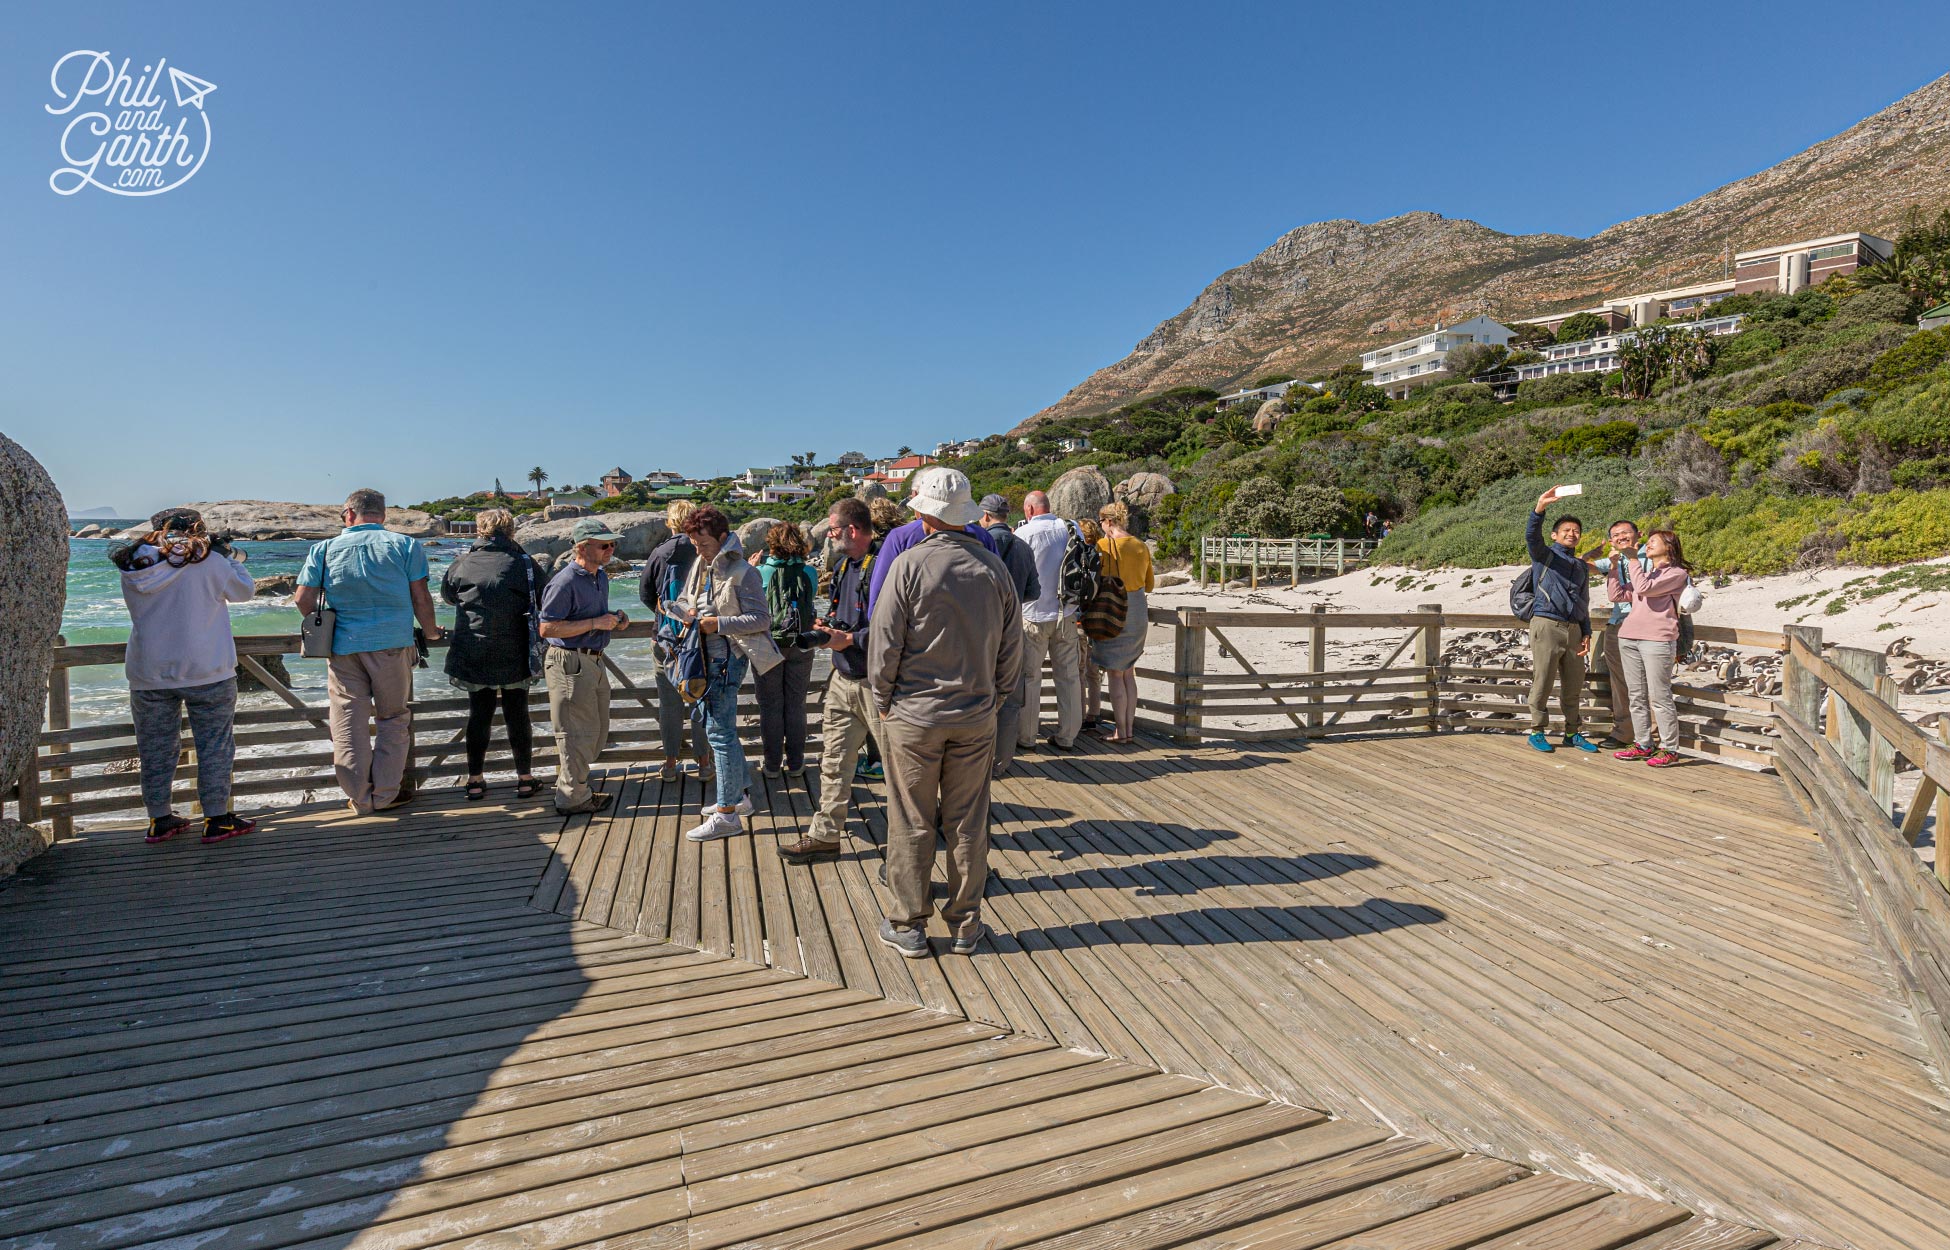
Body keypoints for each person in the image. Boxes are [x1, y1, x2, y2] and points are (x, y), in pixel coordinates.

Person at [870, 467, 1023, 959]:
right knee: (968, 822)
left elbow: (885, 645)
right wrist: (995, 700)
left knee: (911, 820)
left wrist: (883, 701)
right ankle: (965, 925)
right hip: (976, 715)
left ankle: (909, 924)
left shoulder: (909, 565)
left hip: (914, 715)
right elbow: (1011, 649)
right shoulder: (993, 567)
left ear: (922, 513)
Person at [112, 508, 258, 844]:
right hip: (208, 669)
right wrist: (226, 556)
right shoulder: (209, 560)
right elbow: (244, 591)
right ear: (199, 529)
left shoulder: (134, 564)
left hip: (149, 670)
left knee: (155, 748)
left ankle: (159, 818)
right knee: (215, 746)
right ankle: (217, 819)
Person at [296, 489, 443, 814]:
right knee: (393, 719)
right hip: (393, 645)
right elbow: (421, 597)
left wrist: (324, 630)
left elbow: (302, 600)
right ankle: (386, 795)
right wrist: (431, 632)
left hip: (344, 648)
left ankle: (360, 799)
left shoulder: (324, 548)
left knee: (348, 723)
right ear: (383, 515)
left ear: (349, 514)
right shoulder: (405, 545)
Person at [675, 505, 783, 842]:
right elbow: (685, 599)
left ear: (723, 538)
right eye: (693, 543)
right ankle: (741, 797)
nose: (697, 549)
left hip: (726, 661)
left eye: (703, 543)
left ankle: (727, 814)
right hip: (704, 659)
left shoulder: (743, 571)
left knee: (719, 734)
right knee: (718, 730)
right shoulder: (700, 564)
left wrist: (715, 624)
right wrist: (685, 612)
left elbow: (761, 620)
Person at [780, 498, 878, 864]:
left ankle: (920, 833)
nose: (831, 537)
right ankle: (824, 836)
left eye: (834, 531)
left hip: (875, 682)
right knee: (834, 760)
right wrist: (828, 628)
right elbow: (845, 614)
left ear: (851, 530)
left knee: (902, 770)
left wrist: (851, 639)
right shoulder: (843, 567)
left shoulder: (882, 565)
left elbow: (895, 626)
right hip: (843, 677)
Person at [440, 508, 543, 801]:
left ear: (479, 530)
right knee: (517, 714)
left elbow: (448, 596)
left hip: (473, 650)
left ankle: (474, 780)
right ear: (511, 530)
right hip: (515, 650)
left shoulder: (462, 562)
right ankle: (524, 778)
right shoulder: (523, 562)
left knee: (479, 715)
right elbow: (543, 593)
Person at [538, 518, 629, 814]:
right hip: (569, 662)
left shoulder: (600, 577)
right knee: (576, 733)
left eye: (612, 543)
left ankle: (575, 786)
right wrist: (595, 623)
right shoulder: (564, 581)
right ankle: (572, 798)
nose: (610, 549)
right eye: (604, 544)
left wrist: (615, 618)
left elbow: (593, 616)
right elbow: (547, 629)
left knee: (595, 731)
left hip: (593, 659)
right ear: (582, 547)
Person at [638, 499, 711, 782]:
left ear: (670, 522)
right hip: (698, 636)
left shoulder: (660, 553)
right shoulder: (702, 550)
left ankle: (670, 764)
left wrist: (665, 617)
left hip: (665, 638)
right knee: (699, 698)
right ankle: (704, 762)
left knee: (668, 703)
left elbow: (645, 593)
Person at [1608, 530, 1693, 768]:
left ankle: (1669, 748)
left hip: (1657, 640)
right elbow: (1615, 594)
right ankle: (1643, 743)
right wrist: (1614, 567)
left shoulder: (1677, 574)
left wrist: (1632, 558)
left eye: (1654, 541)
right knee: (1636, 696)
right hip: (1629, 637)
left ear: (1670, 546)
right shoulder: (1646, 573)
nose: (1649, 544)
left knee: (1660, 696)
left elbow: (1644, 589)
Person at [1524, 489, 1599, 755]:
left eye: (1576, 530)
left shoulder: (1580, 566)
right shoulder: (1544, 556)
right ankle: (1536, 731)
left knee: (1574, 684)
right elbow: (1532, 537)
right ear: (1555, 535)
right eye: (1566, 530)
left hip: (1575, 629)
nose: (1572, 533)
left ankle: (1572, 733)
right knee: (1542, 680)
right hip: (1547, 624)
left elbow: (1583, 601)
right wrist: (1539, 508)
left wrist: (1586, 631)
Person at [1014, 490, 1084, 751]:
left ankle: (1027, 736)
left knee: (1030, 677)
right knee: (1068, 677)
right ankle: (1067, 736)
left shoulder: (1023, 534)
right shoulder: (1071, 527)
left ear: (1030, 510)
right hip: (1066, 612)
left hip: (1033, 614)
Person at [980, 493, 1040, 777]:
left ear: (986, 516)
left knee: (978, 696)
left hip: (981, 632)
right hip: (1013, 629)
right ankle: (1001, 763)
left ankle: (975, 760)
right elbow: (1034, 592)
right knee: (1010, 700)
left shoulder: (979, 544)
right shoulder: (1023, 547)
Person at [755, 520, 818, 778]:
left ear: (772, 544)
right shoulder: (809, 573)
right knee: (796, 704)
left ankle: (771, 766)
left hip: (769, 645)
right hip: (801, 643)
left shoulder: (761, 572)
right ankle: (795, 763)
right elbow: (812, 598)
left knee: (770, 706)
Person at [1091, 502, 1155, 744]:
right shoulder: (1140, 546)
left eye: (1101, 523)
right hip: (1138, 609)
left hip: (1113, 610)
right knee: (1129, 673)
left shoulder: (1103, 546)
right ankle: (1128, 730)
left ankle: (1119, 731)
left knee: (1115, 674)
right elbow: (1149, 584)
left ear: (1108, 521)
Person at [1589, 520, 1647, 744]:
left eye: (1626, 532)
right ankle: (1625, 732)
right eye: (1616, 535)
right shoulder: (1615, 559)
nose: (1621, 537)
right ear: (1611, 540)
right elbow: (1582, 567)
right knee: (1620, 681)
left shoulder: (1650, 557)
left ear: (1638, 535)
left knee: (1648, 681)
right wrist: (1589, 555)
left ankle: (1649, 736)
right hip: (1618, 625)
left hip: (1646, 624)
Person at [1076, 517, 1106, 733]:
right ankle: (1093, 715)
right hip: (1097, 620)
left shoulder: (1076, 555)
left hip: (1079, 618)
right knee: (1093, 672)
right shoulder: (1102, 555)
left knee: (1078, 671)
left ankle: (1077, 714)